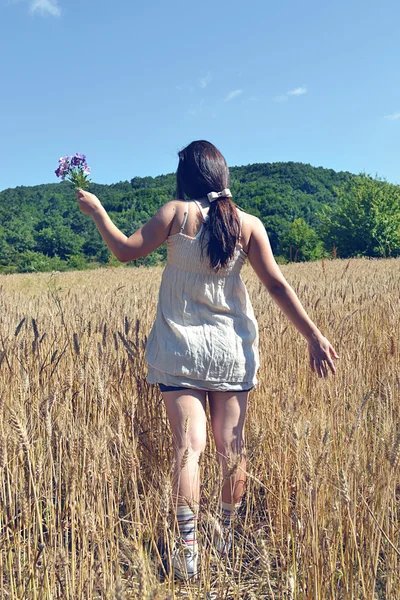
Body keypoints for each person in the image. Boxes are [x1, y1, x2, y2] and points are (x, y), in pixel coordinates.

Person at [76, 140, 339, 580]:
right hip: (229, 351)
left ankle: (189, 552)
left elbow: (124, 250)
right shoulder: (247, 224)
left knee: (188, 448)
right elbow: (276, 286)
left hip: (179, 350)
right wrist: (313, 335)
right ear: (222, 174)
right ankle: (228, 540)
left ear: (186, 176)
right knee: (231, 449)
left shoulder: (174, 214)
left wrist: (100, 212)